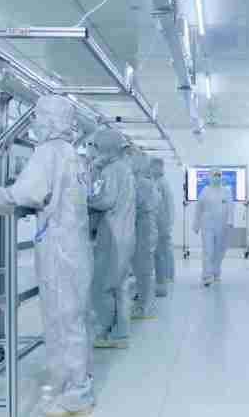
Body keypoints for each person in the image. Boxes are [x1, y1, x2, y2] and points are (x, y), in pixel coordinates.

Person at [0, 95, 95, 416]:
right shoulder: (72, 154)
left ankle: (74, 393)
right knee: (74, 319)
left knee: (61, 321)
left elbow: (28, 192)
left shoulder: (48, 152)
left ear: (49, 119)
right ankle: (76, 382)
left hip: (58, 249)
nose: (35, 123)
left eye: (37, 117)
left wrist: (1, 194)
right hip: (75, 248)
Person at [89, 129, 136, 349]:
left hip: (113, 234)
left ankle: (105, 331)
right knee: (120, 285)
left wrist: (84, 201)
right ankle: (121, 333)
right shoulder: (125, 169)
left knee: (103, 284)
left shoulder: (112, 170)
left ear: (105, 147)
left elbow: (106, 201)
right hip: (125, 233)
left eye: (96, 147)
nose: (95, 152)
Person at [130, 152, 160, 320]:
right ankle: (143, 302)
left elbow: (136, 203)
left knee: (143, 268)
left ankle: (145, 306)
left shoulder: (143, 183)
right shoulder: (142, 182)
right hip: (142, 225)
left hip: (144, 226)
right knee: (141, 267)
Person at [193, 168, 234, 287]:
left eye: (218, 175)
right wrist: (196, 225)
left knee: (220, 250)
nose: (216, 177)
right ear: (210, 177)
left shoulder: (226, 191)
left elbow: (231, 208)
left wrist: (230, 222)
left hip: (222, 225)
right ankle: (207, 275)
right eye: (214, 175)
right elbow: (198, 209)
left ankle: (216, 272)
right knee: (208, 250)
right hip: (207, 225)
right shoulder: (205, 191)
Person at [152, 157, 175, 296]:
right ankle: (167, 275)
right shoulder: (156, 181)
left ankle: (168, 275)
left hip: (163, 222)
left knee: (164, 251)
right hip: (159, 222)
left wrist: (169, 223)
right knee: (163, 250)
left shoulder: (162, 183)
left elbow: (169, 205)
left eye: (154, 166)